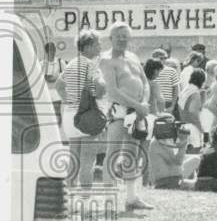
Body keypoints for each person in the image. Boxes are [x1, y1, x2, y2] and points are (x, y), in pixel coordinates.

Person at [98, 22, 153, 211]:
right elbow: (112, 91)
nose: (122, 39)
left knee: (133, 152)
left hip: (137, 111)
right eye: (118, 36)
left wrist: (143, 104)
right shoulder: (106, 60)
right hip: (119, 110)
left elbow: (145, 82)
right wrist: (137, 105)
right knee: (113, 152)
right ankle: (108, 199)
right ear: (110, 38)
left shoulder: (133, 57)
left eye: (125, 36)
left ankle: (131, 198)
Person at [54, 30, 106, 189]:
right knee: (87, 160)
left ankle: (69, 192)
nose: (100, 47)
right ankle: (85, 196)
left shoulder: (71, 63)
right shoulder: (90, 65)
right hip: (87, 116)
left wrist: (68, 100)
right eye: (98, 44)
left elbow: (58, 85)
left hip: (70, 116)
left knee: (73, 158)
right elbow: (99, 89)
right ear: (89, 46)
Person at [140, 58, 165, 185]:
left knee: (135, 151)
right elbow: (160, 100)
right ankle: (146, 181)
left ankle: (133, 180)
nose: (159, 73)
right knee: (147, 152)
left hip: (137, 117)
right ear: (155, 70)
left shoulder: (139, 81)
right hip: (149, 118)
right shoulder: (153, 84)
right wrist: (163, 112)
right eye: (159, 71)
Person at [177, 68, 207, 152]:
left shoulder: (185, 90)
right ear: (202, 81)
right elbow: (193, 113)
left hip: (183, 125)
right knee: (194, 156)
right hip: (193, 127)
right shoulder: (195, 93)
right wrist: (201, 129)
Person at [151, 48, 180, 115]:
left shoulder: (172, 71)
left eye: (165, 58)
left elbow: (175, 90)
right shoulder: (149, 72)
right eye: (161, 58)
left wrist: (172, 105)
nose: (163, 60)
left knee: (167, 124)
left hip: (168, 103)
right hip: (154, 103)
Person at [43, 41, 66, 121]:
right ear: (46, 51)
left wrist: (56, 78)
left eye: (54, 50)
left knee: (57, 112)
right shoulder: (42, 64)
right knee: (48, 114)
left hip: (57, 92)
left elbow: (66, 76)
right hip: (46, 93)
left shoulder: (60, 62)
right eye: (50, 50)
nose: (52, 52)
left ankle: (58, 130)